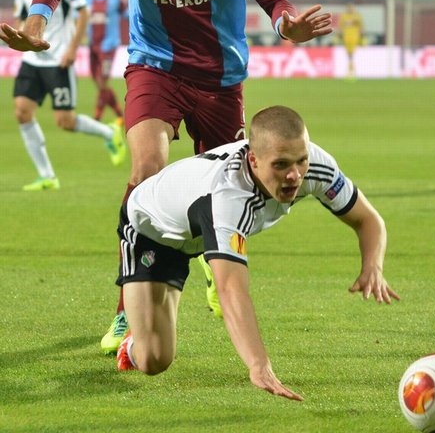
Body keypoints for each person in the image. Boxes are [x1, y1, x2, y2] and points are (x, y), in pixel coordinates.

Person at [0, 0, 332, 352]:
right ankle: (124, 312)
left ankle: (204, 254)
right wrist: (38, 18)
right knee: (145, 174)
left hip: (221, 80)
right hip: (155, 69)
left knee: (232, 189)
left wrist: (285, 19)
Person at [115, 105, 400, 401]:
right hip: (152, 231)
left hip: (202, 232)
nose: (294, 175)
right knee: (153, 360)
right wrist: (258, 364)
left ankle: (150, 317)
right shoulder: (229, 197)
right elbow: (231, 290)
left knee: (160, 353)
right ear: (253, 159)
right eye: (281, 165)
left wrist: (373, 267)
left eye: (301, 161)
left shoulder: (315, 166)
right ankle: (133, 340)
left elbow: (369, 221)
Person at [10, 0, 126, 191]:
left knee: (65, 121)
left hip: (58, 60)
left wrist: (73, 48)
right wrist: (19, 34)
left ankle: (111, 133)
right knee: (22, 112)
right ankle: (47, 175)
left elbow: (83, 12)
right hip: (32, 61)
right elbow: (22, 15)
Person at [85, 0, 126, 122]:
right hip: (92, 45)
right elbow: (79, 20)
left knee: (103, 80)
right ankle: (117, 111)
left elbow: (127, 14)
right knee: (96, 80)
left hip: (108, 46)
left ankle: (98, 115)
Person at [338, 3, 364, 79]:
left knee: (352, 52)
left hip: (355, 37)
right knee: (349, 53)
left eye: (352, 8)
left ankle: (352, 68)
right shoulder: (344, 16)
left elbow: (361, 27)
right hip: (346, 37)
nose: (350, 9)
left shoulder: (357, 16)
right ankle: (350, 67)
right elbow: (340, 26)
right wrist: (340, 34)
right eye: (349, 8)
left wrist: (362, 36)